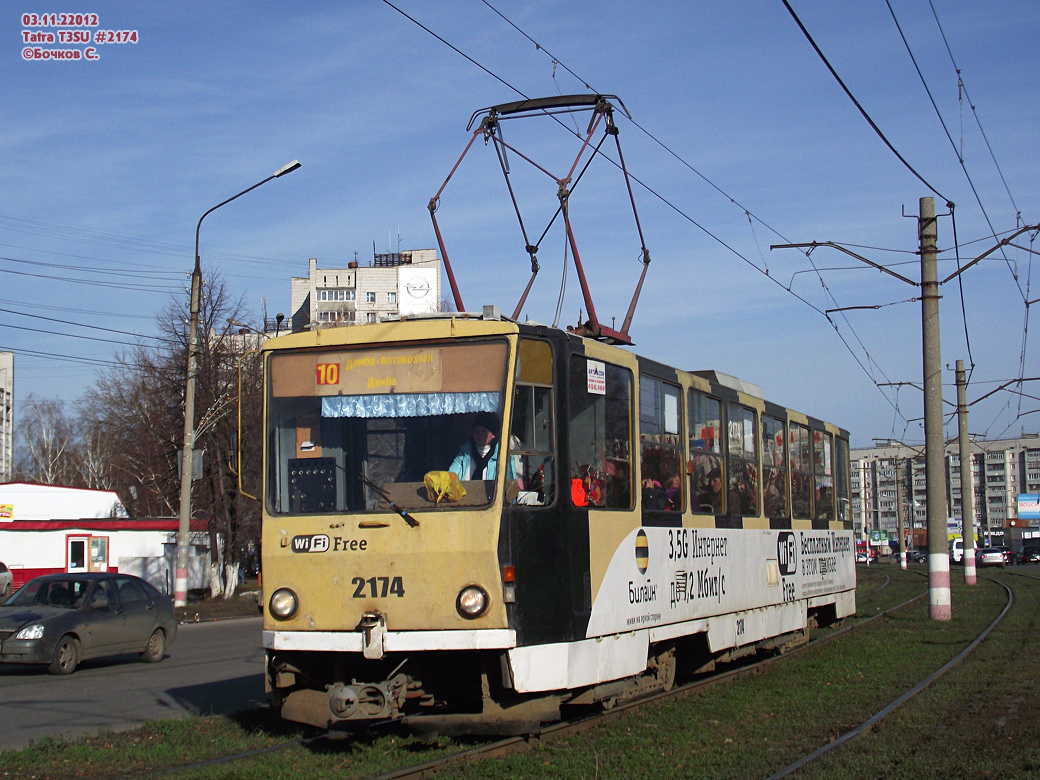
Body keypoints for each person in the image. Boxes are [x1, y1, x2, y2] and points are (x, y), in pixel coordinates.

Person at [450, 412, 519, 482]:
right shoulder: (464, 454)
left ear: (493, 435)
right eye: (476, 431)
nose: (479, 434)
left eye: (483, 431)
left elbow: (509, 483)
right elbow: (451, 478)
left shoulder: (503, 456)